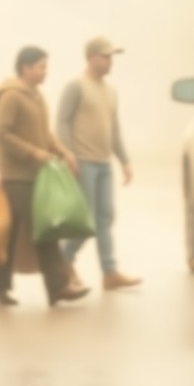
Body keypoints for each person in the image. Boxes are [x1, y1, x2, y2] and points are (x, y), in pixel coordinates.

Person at [0, 46, 90, 308]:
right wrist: (34, 154)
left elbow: (46, 135)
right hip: (15, 176)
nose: (45, 71)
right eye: (41, 66)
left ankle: (47, 287)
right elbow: (2, 133)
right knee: (27, 230)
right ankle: (13, 287)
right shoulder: (12, 97)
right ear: (26, 68)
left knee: (31, 230)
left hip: (36, 175)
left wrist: (64, 153)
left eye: (45, 66)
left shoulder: (37, 97)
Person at [56, 36, 141, 292]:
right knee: (87, 221)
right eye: (106, 56)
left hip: (104, 164)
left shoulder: (111, 91)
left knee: (105, 218)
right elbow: (61, 122)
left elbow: (114, 129)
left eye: (111, 56)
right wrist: (68, 154)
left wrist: (124, 160)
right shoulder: (76, 86)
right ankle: (62, 259)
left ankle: (110, 272)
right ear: (92, 57)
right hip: (83, 162)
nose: (110, 61)